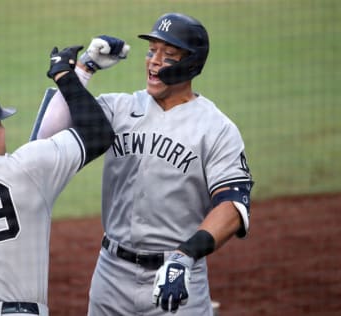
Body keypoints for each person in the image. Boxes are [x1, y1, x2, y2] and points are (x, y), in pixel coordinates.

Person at [35, 13, 254, 316]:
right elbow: (44, 142)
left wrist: (184, 256)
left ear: (190, 63)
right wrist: (84, 69)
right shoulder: (119, 108)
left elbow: (232, 207)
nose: (153, 61)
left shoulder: (216, 128)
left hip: (178, 277)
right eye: (152, 52)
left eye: (168, 55)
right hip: (110, 276)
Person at [0, 45, 114, 316]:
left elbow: (22, 163)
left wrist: (82, 70)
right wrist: (66, 75)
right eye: (0, 124)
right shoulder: (28, 169)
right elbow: (98, 133)